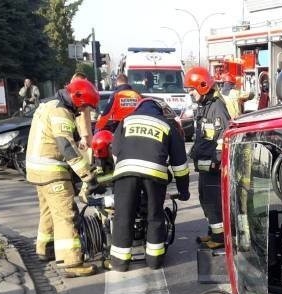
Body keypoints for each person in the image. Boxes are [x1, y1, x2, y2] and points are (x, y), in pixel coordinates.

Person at [26, 78, 103, 278]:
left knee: (48, 211)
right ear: (77, 98)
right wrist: (88, 175)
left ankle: (45, 248)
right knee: (66, 215)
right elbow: (66, 147)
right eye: (85, 105)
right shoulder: (61, 112)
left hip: (36, 168)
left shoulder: (48, 104)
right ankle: (73, 263)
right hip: (52, 171)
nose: (84, 110)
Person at [108, 97, 190, 271]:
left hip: (126, 172)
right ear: (159, 110)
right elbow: (180, 164)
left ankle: (119, 263)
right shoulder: (167, 125)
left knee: (123, 215)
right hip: (155, 175)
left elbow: (114, 151)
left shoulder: (126, 121)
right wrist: (183, 191)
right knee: (155, 215)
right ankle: (154, 261)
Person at [185, 66, 230, 249]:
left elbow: (224, 135)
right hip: (204, 166)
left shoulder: (217, 107)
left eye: (192, 90)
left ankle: (219, 239)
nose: (190, 94)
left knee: (213, 202)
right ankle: (213, 232)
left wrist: (217, 160)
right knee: (205, 199)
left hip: (213, 167)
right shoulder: (205, 106)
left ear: (202, 86)